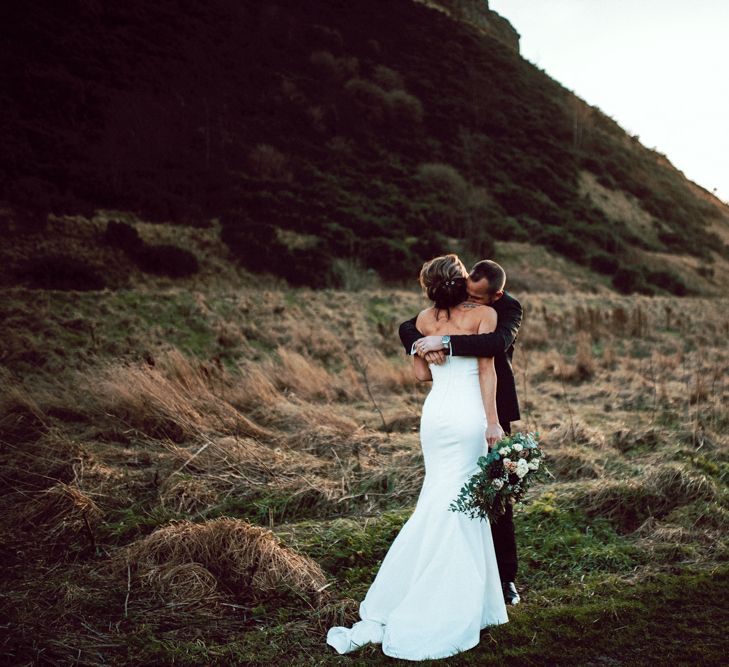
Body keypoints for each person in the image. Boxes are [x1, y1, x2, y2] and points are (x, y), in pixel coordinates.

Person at [326, 253, 509, 660]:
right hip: (467, 417)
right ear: (461, 281)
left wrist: (426, 350)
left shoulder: (423, 321)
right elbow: (487, 372)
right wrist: (493, 423)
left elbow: (420, 376)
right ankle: (451, 600)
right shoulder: (484, 316)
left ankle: (433, 591)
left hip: (435, 417)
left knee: (438, 499)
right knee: (462, 504)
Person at [398, 258, 523, 605]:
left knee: (497, 494)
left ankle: (504, 578)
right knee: (447, 491)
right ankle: (448, 571)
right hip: (458, 411)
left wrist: (443, 343)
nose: (469, 299)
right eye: (465, 290)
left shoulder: (508, 308)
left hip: (488, 409)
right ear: (462, 280)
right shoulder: (437, 312)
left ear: (495, 294)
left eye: (478, 298)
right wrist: (419, 342)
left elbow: (495, 346)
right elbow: (407, 328)